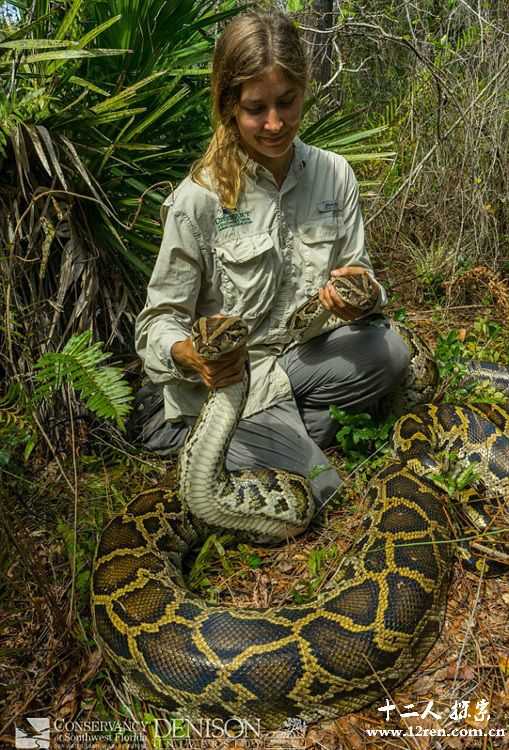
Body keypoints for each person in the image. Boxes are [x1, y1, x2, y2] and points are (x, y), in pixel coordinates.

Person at [132, 10, 410, 507]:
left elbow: (360, 272)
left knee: (390, 352)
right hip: (235, 382)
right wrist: (192, 356)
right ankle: (246, 433)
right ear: (229, 106)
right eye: (256, 108)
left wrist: (363, 293)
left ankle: (269, 433)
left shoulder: (335, 175)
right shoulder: (198, 199)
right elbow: (158, 322)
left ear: (304, 90)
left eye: (287, 102)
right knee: (321, 490)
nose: (275, 123)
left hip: (300, 357)